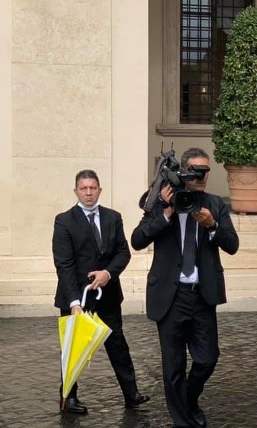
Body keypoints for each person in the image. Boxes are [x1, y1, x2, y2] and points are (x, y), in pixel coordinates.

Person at [131, 147, 239, 428]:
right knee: (173, 367)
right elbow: (138, 239)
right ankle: (183, 421)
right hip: (170, 296)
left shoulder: (214, 204)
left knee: (207, 359)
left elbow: (233, 245)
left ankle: (188, 401)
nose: (202, 176)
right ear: (183, 172)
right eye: (196, 171)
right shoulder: (162, 202)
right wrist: (165, 214)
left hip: (202, 295)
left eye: (206, 171)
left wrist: (212, 225)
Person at [53, 169, 149, 414]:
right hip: (76, 297)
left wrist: (108, 273)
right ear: (76, 190)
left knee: (118, 345)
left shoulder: (112, 217)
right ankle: (69, 398)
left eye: (92, 188)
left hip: (108, 296)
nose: (88, 193)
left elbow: (123, 253)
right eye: (83, 188)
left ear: (100, 190)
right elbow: (64, 264)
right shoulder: (64, 220)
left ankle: (131, 394)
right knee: (73, 349)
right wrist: (74, 302)